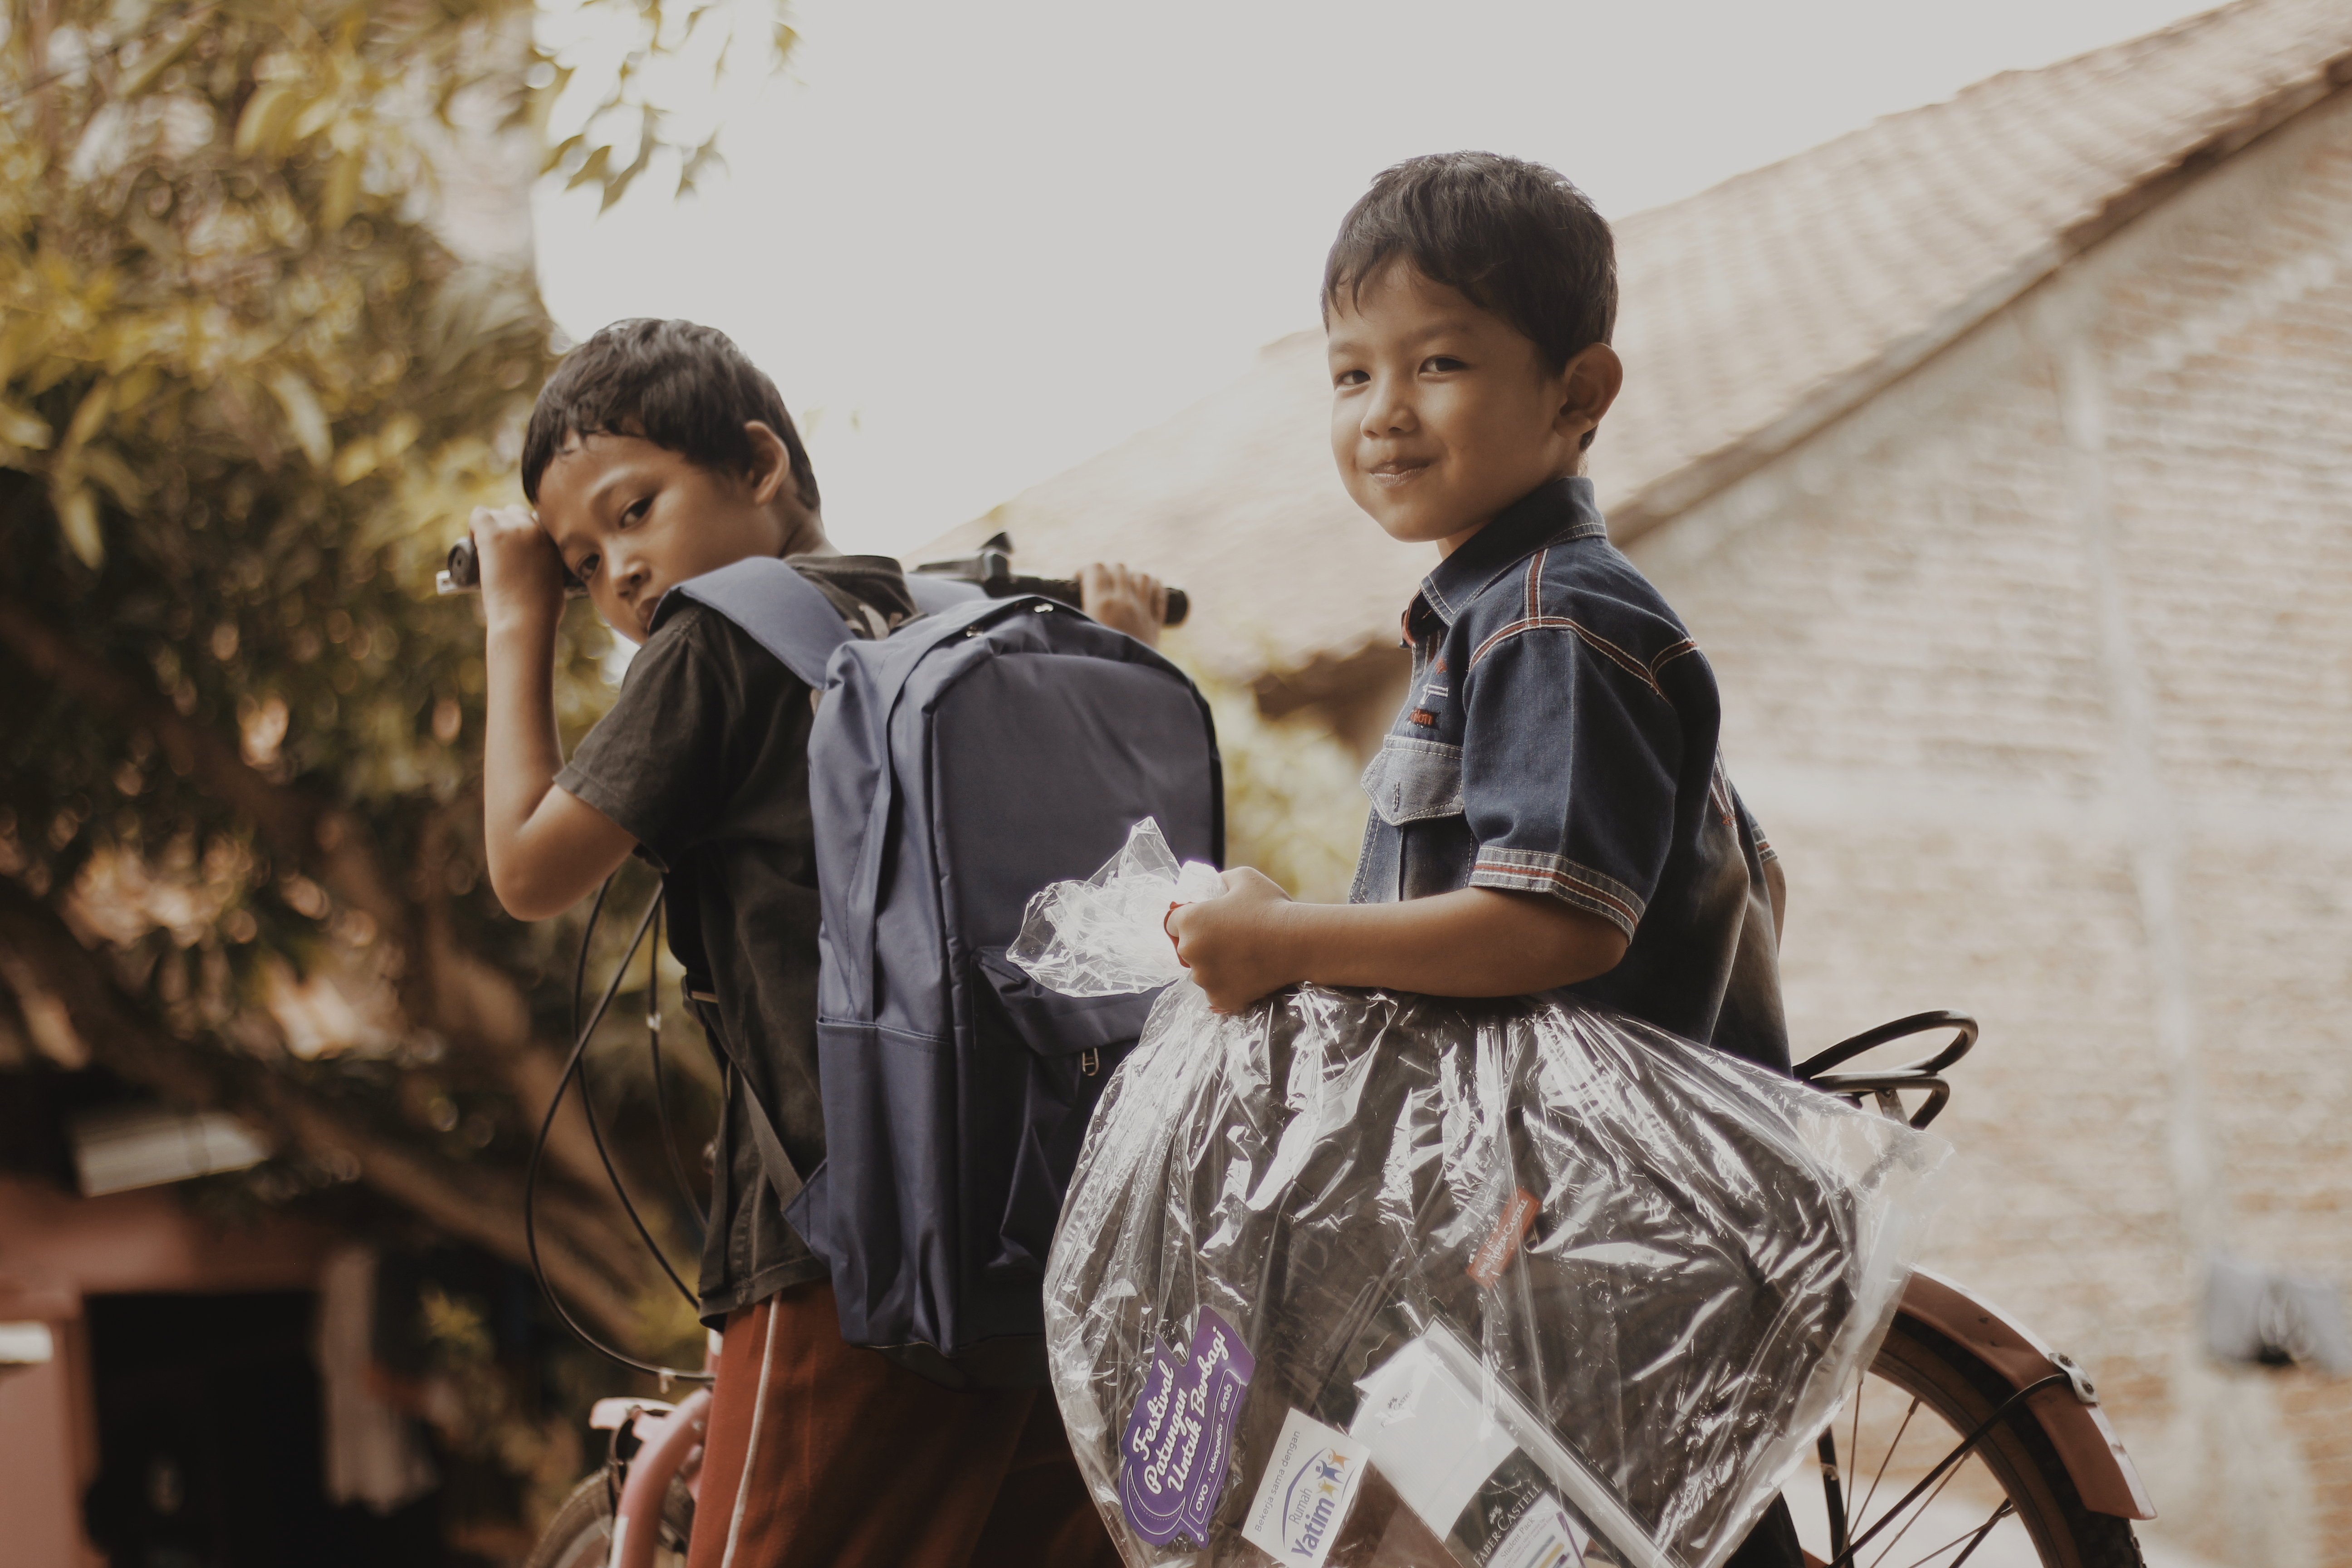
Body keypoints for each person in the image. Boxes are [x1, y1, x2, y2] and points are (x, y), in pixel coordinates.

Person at [1166, 152, 1802, 1568]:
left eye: (1437, 363)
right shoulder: (1503, 618)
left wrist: (1285, 943)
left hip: (1584, 1232)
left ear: (1578, 394)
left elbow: (1551, 926)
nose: (1383, 412)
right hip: (1540, 1216)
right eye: (1351, 375)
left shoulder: (1552, 621)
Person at [471, 318, 1156, 1568]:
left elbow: (527, 869)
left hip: (844, 1254)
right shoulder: (961, 629)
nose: (620, 573)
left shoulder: (714, 638)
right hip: (1040, 1236)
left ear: (760, 464)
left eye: (635, 511)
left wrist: (517, 617)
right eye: (581, 565)